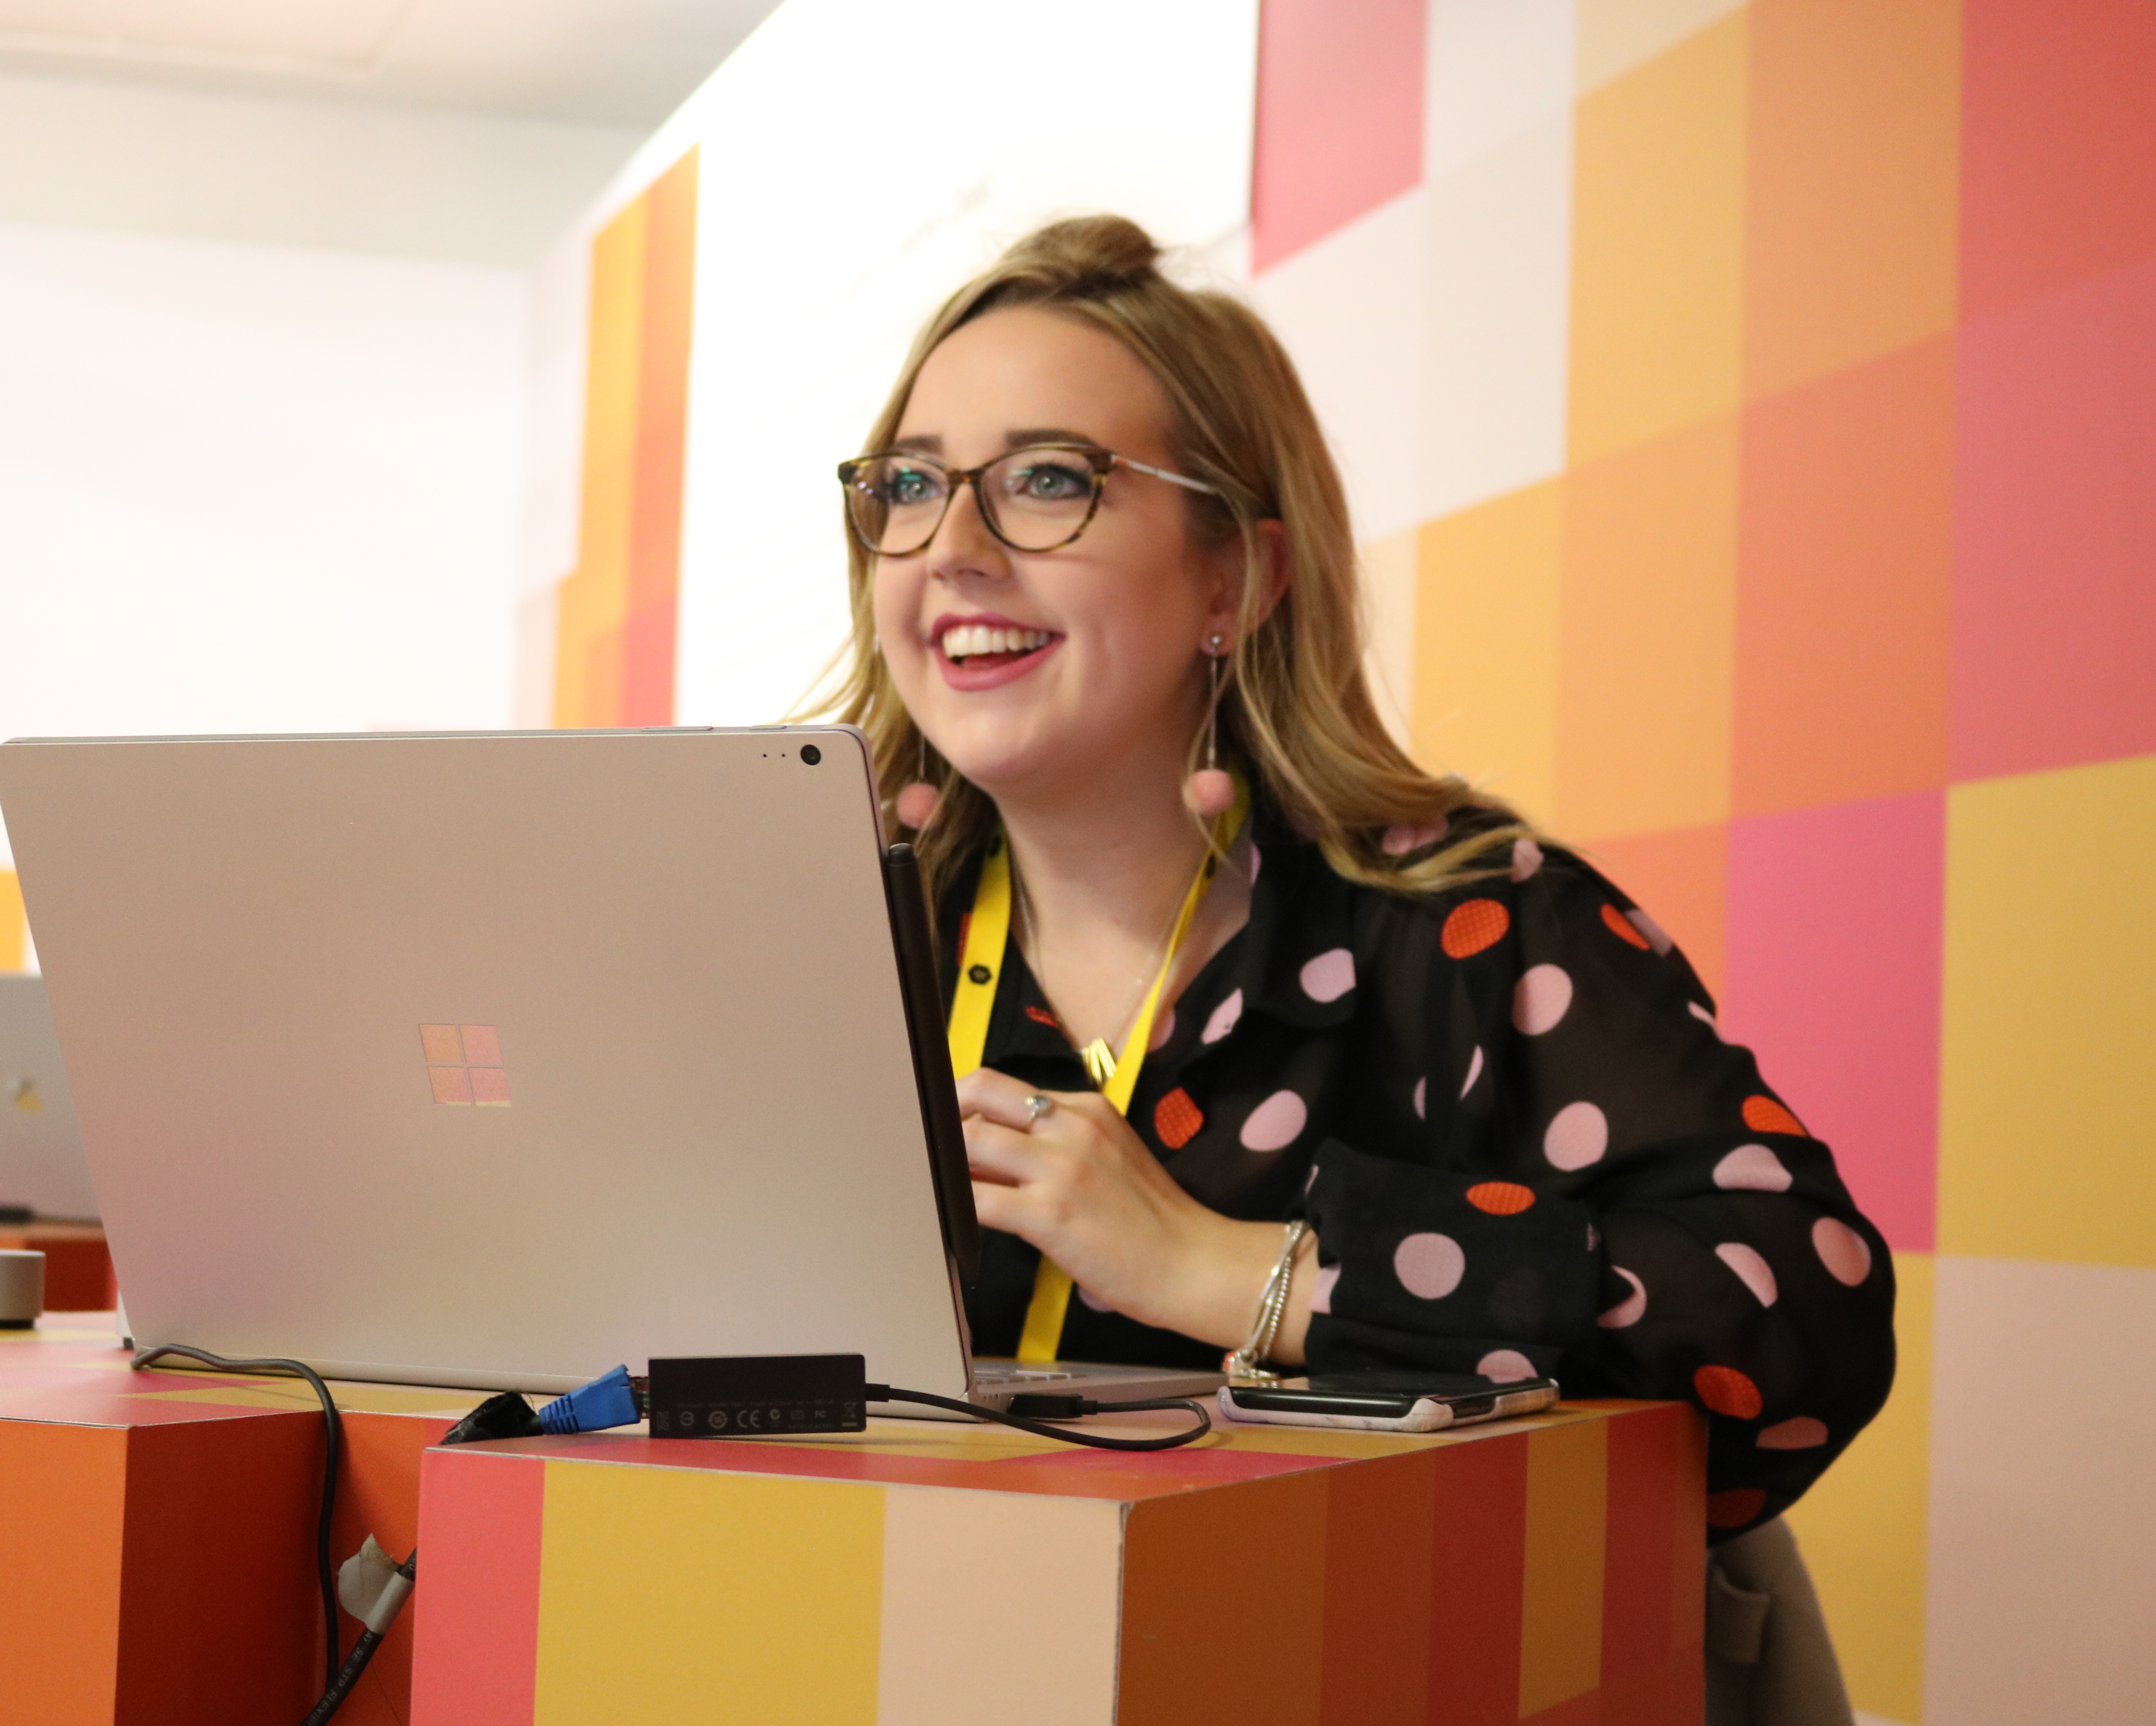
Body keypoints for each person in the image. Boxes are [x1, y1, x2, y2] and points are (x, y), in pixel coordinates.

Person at [811, 215, 1892, 1724]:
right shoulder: (840, 948)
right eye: (911, 486)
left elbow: (1799, 1309)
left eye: (1049, 480)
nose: (953, 547)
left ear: (1235, 584)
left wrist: (1245, 1272)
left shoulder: (1465, 924)